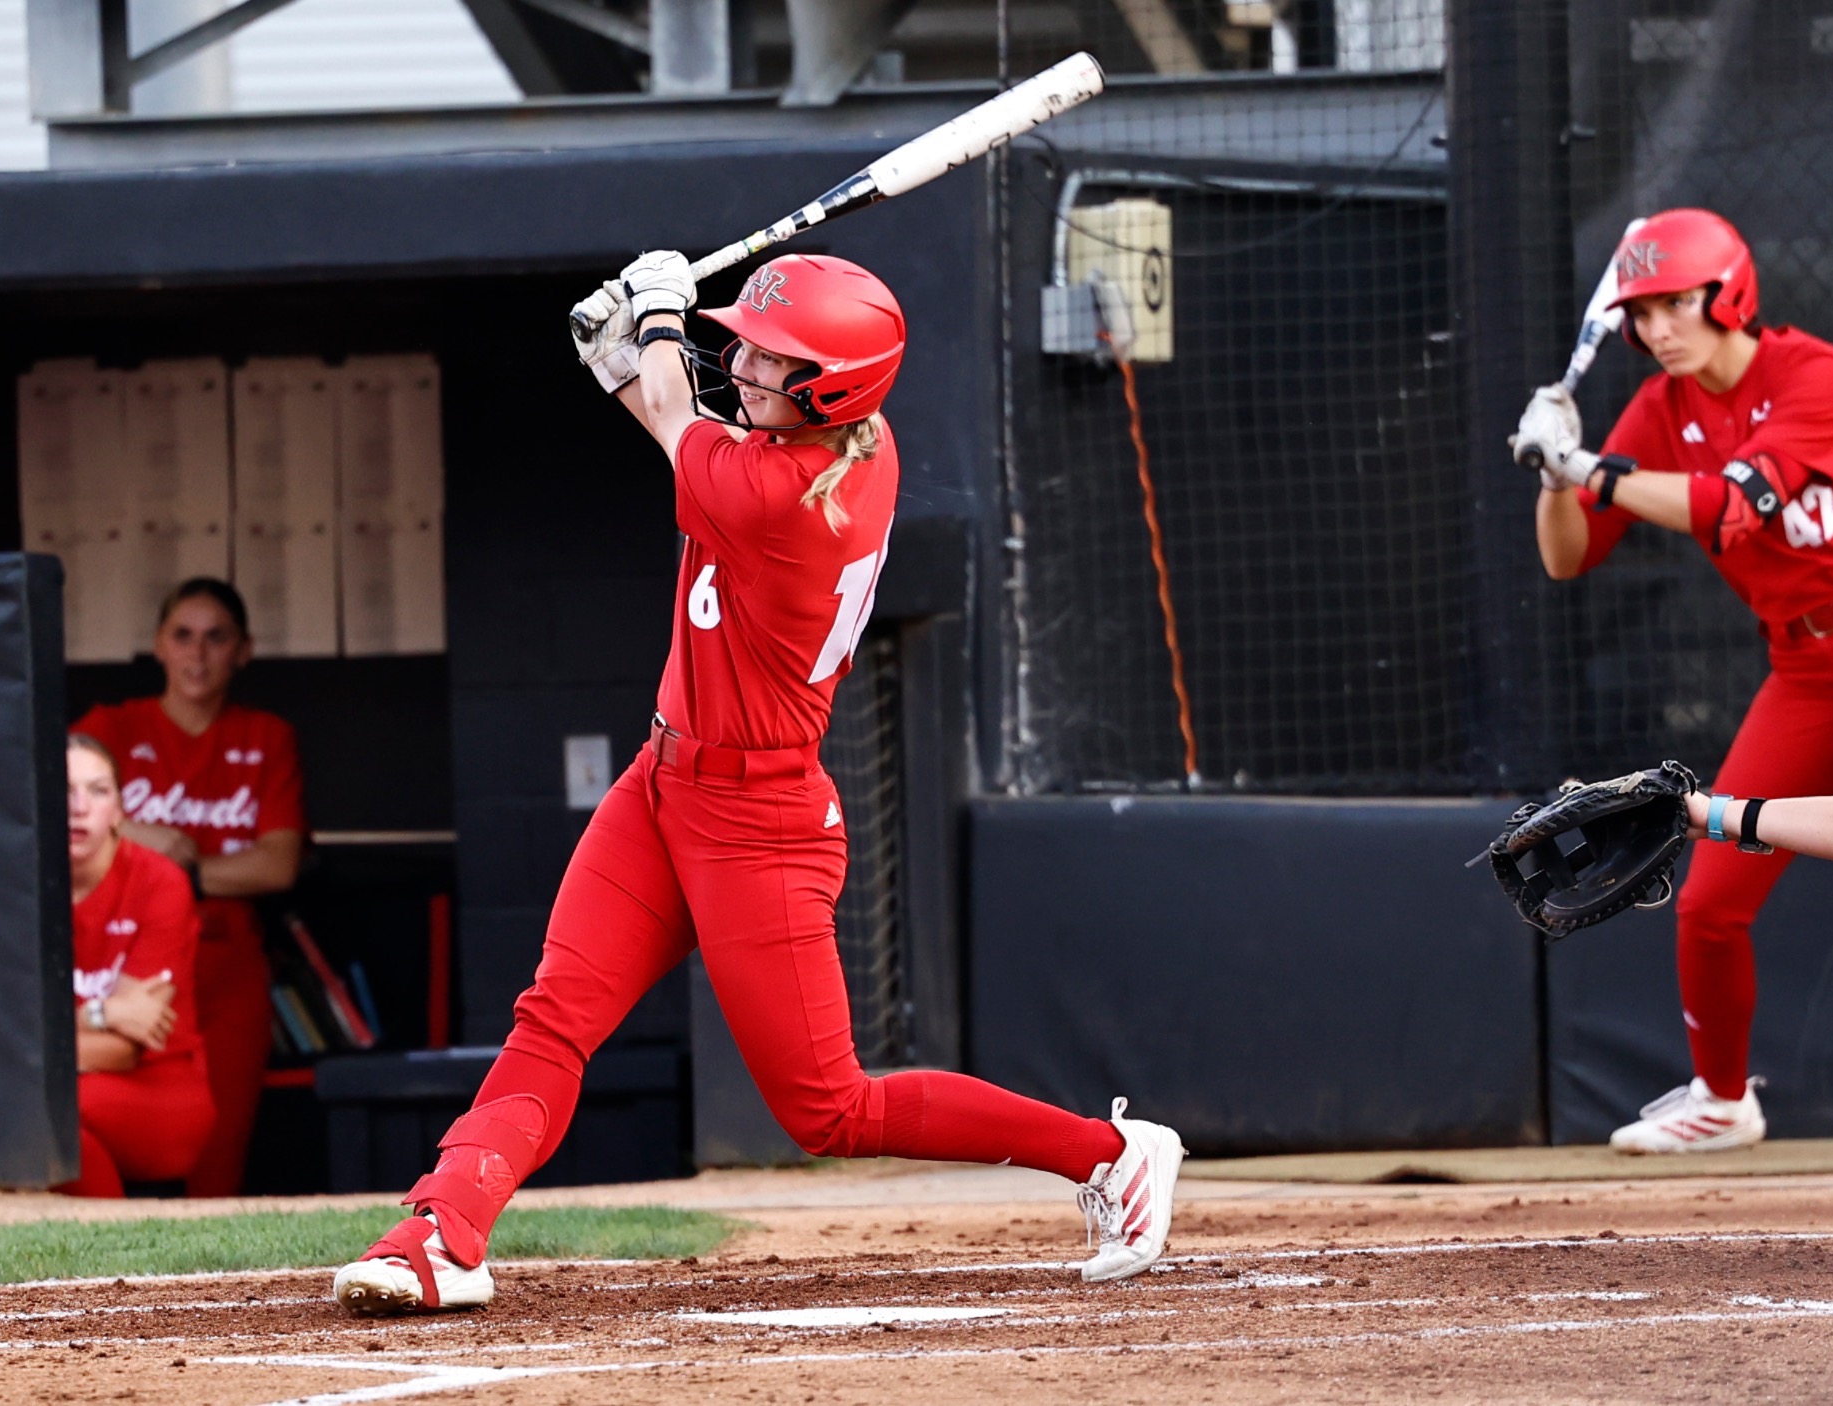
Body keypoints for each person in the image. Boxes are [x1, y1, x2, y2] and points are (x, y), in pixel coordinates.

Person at [329, 251, 1182, 1317]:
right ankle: (439, 1230)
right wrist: (633, 356)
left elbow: (688, 427)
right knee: (552, 1017)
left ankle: (1111, 1153)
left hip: (759, 820)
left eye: (772, 357)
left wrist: (650, 324)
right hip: (663, 783)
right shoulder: (823, 447)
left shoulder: (793, 505)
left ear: (829, 389)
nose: (743, 360)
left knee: (829, 1109)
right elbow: (686, 427)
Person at [1512, 207, 1833, 1155]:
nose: (1656, 330)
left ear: (1728, 293)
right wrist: (1552, 476)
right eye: (1640, 313)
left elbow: (1734, 508)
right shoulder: (1661, 408)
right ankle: (1725, 1098)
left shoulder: (1816, 372)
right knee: (1707, 896)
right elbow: (1570, 558)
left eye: (1674, 305)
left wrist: (1589, 466)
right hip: (1806, 659)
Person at [74, 579, 304, 1197]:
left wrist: (185, 864)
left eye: (216, 637)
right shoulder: (111, 728)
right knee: (85, 1108)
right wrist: (140, 830)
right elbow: (51, 819)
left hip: (224, 962)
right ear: (158, 645)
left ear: (243, 650)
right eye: (183, 635)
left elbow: (277, 865)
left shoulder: (266, 736)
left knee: (216, 1153)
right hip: (120, 957)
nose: (197, 653)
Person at [58, 734, 213, 1198]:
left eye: (98, 790)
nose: (79, 806)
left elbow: (124, 1046)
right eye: (64, 791)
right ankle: (112, 1257)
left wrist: (32, 1048)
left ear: (121, 811)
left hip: (158, 1088)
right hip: (63, 1091)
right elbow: (1, 1037)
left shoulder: (159, 881)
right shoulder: (11, 889)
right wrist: (98, 1013)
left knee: (20, 1113)